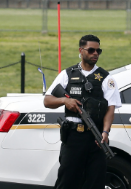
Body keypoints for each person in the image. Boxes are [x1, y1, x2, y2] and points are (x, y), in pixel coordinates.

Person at [44, 34, 122, 189]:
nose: (95, 54)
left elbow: (110, 109)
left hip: (96, 138)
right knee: (67, 180)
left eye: (98, 51)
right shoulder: (67, 74)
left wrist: (105, 133)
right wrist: (65, 100)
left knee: (95, 181)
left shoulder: (106, 78)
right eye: (91, 50)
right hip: (73, 137)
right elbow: (48, 100)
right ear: (81, 50)